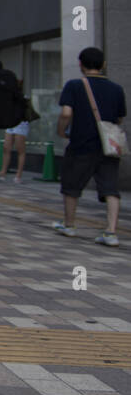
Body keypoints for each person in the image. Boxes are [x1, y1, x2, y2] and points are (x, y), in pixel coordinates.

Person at [53, 46, 126, 246]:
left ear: (80, 65)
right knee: (110, 189)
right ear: (103, 65)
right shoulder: (116, 89)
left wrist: (61, 130)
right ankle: (111, 232)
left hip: (81, 143)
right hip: (108, 146)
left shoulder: (74, 85)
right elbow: (119, 118)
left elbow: (66, 113)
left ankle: (69, 225)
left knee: (71, 186)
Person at [0, 72, 31, 182]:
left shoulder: (24, 98)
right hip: (10, 123)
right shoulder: (9, 96)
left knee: (20, 149)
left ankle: (18, 174)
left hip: (21, 124)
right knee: (6, 147)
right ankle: (3, 171)